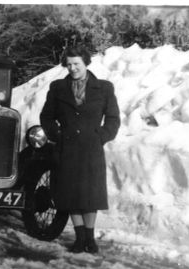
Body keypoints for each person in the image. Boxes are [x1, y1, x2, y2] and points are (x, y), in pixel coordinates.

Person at [40, 46, 120, 253]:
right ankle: (79, 237)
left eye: (77, 64)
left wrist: (101, 136)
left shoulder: (104, 88)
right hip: (66, 148)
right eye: (69, 64)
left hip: (91, 148)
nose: (73, 68)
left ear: (86, 63)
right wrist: (57, 135)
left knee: (90, 194)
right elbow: (46, 117)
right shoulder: (57, 87)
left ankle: (90, 239)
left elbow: (113, 118)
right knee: (71, 194)